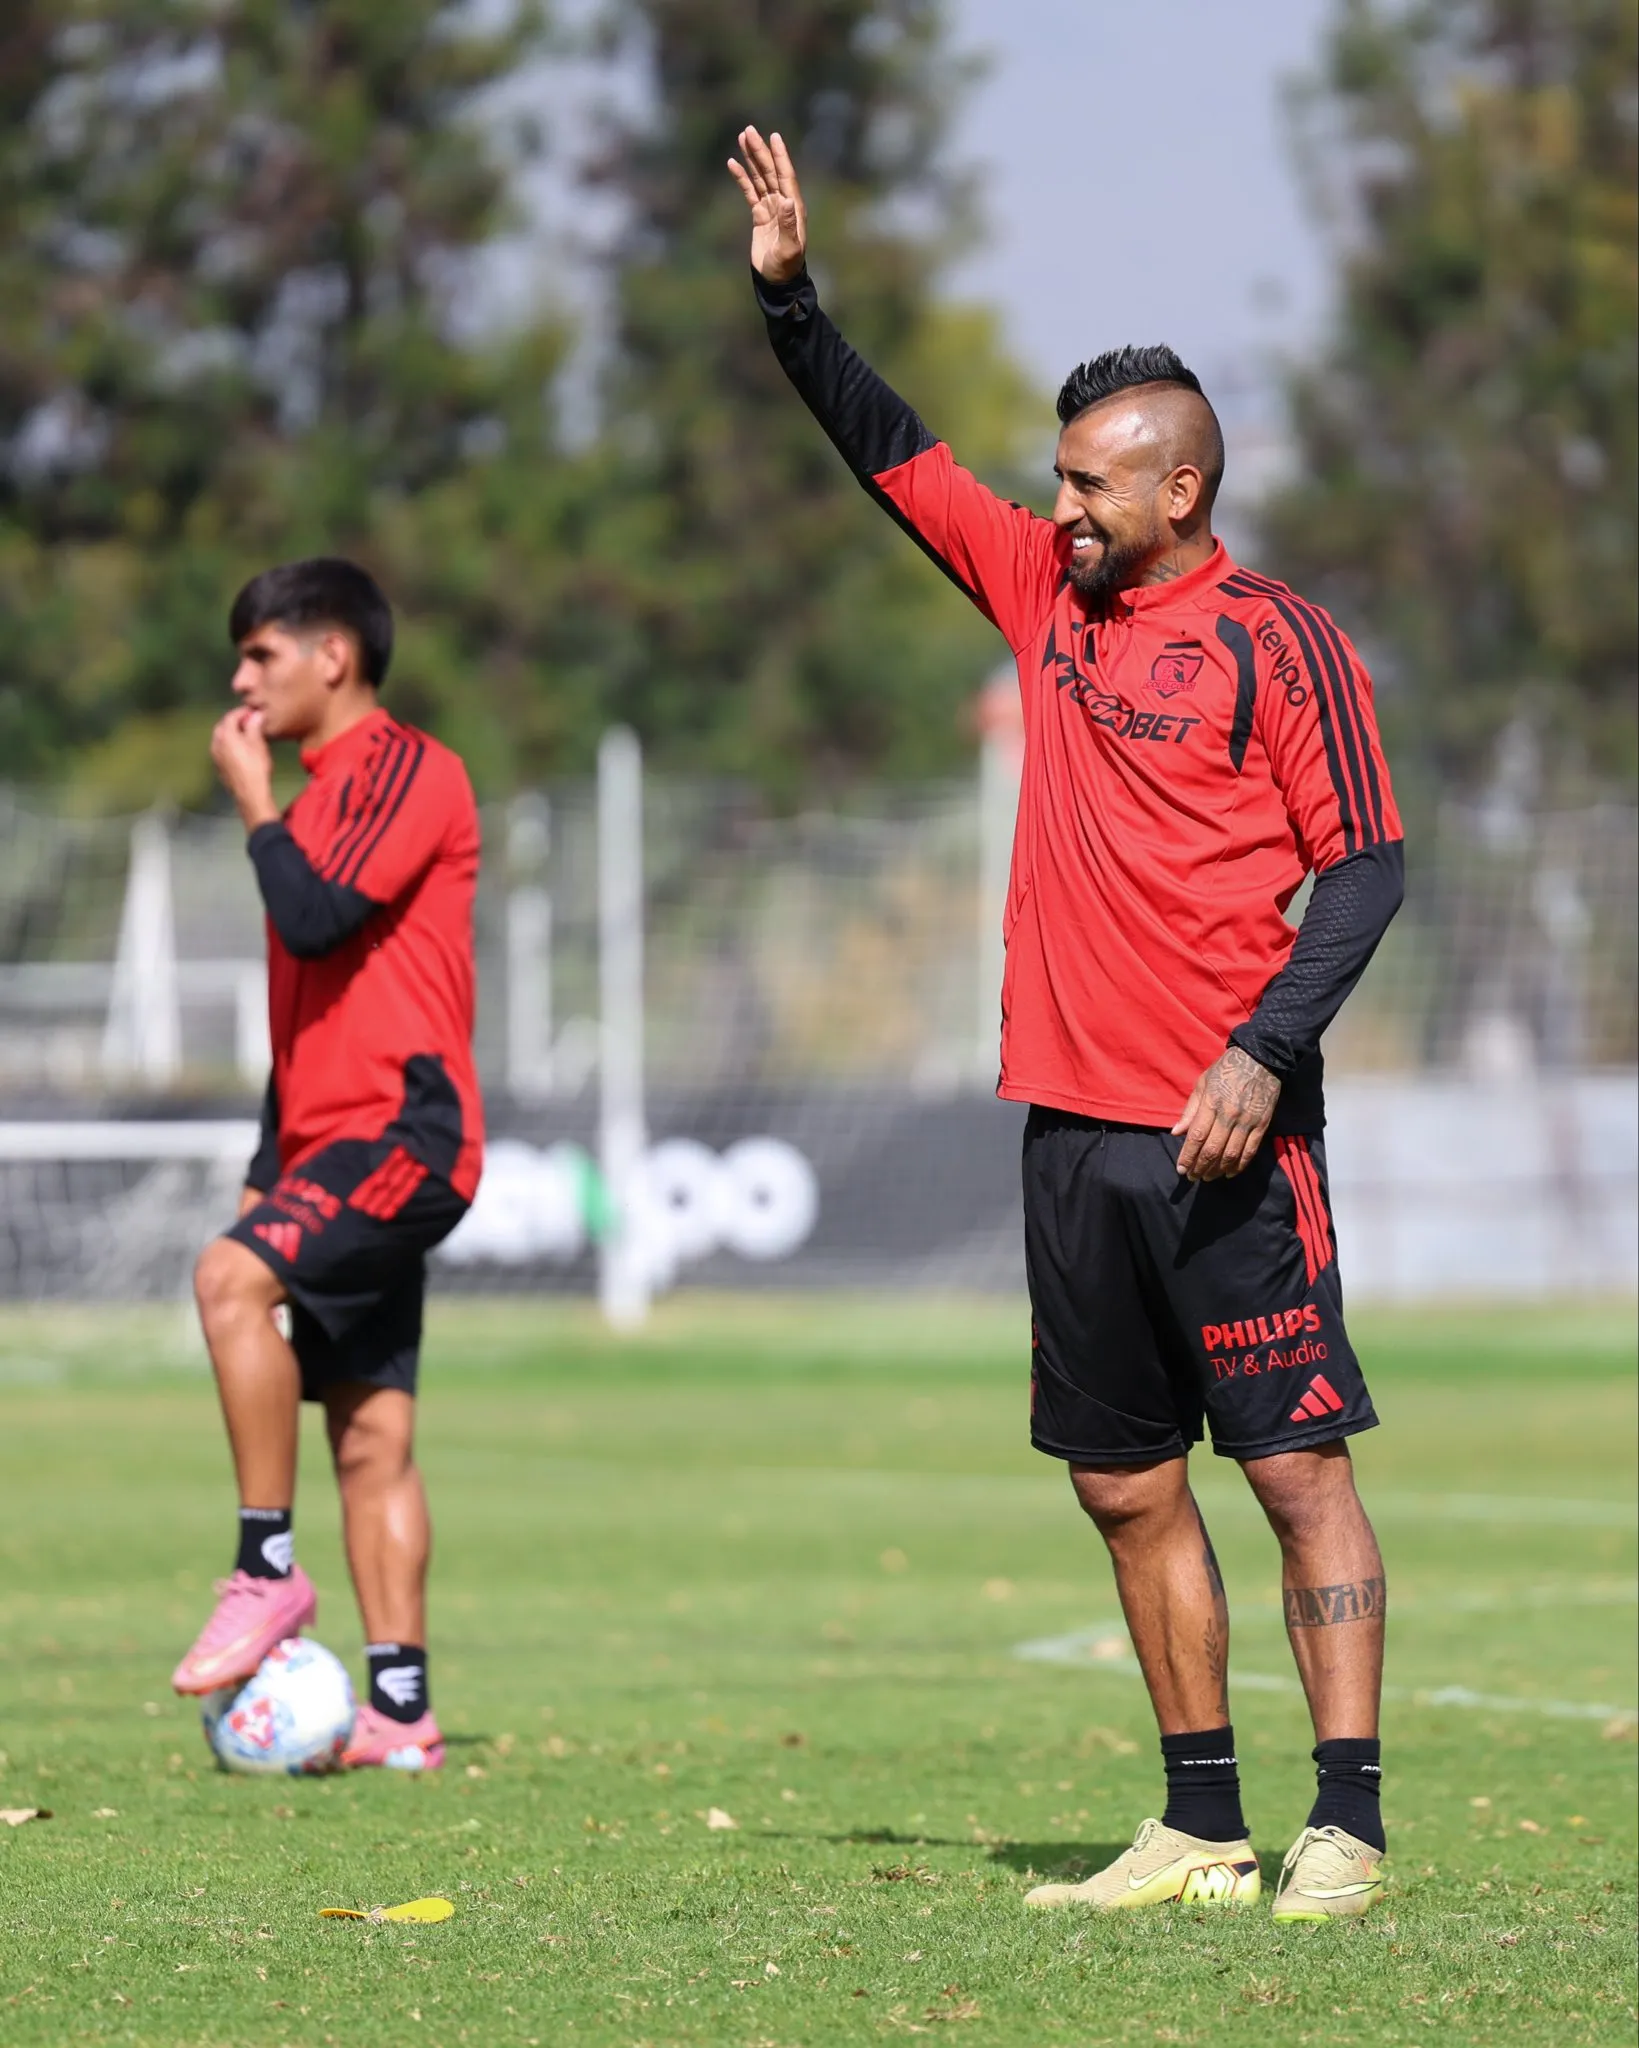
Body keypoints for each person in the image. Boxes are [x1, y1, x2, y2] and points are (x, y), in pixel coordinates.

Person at [729, 130, 1404, 1921]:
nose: (1063, 508)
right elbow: (890, 456)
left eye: (1094, 483)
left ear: (1179, 486)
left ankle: (1343, 1817)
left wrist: (1259, 1055)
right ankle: (1197, 1821)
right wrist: (792, 302)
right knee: (1120, 1484)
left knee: (1288, 1467)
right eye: (1057, 479)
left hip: (1226, 1132)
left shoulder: (1281, 642)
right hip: (1067, 1128)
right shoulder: (1040, 590)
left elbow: (1360, 875)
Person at [171, 557, 483, 1772]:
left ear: (331, 656)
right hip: (328, 1140)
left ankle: (263, 1570)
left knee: (223, 1281)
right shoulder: (309, 809)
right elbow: (299, 1009)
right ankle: (400, 1714)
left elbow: (314, 920)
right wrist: (266, 1162)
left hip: (404, 1135)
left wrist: (250, 799)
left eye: (260, 655)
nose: (241, 680)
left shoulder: (410, 769)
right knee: (370, 1430)